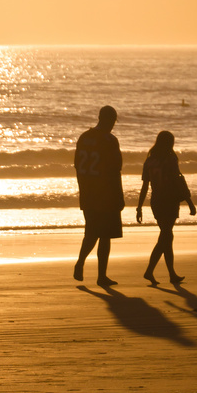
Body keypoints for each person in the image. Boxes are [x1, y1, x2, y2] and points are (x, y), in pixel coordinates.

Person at [136, 130, 196, 286]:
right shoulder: (170, 159)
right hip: (169, 201)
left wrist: (139, 207)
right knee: (166, 236)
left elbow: (144, 187)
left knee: (167, 236)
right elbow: (177, 182)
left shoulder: (149, 161)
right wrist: (189, 202)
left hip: (156, 201)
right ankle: (149, 271)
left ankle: (171, 274)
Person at [73, 105, 124, 287]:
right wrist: (119, 197)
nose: (113, 126)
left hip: (88, 192)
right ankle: (101, 275)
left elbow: (77, 165)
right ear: (109, 120)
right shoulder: (109, 140)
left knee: (91, 232)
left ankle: (81, 261)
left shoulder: (84, 137)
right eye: (113, 122)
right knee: (105, 235)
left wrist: (83, 189)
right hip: (106, 194)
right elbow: (114, 170)